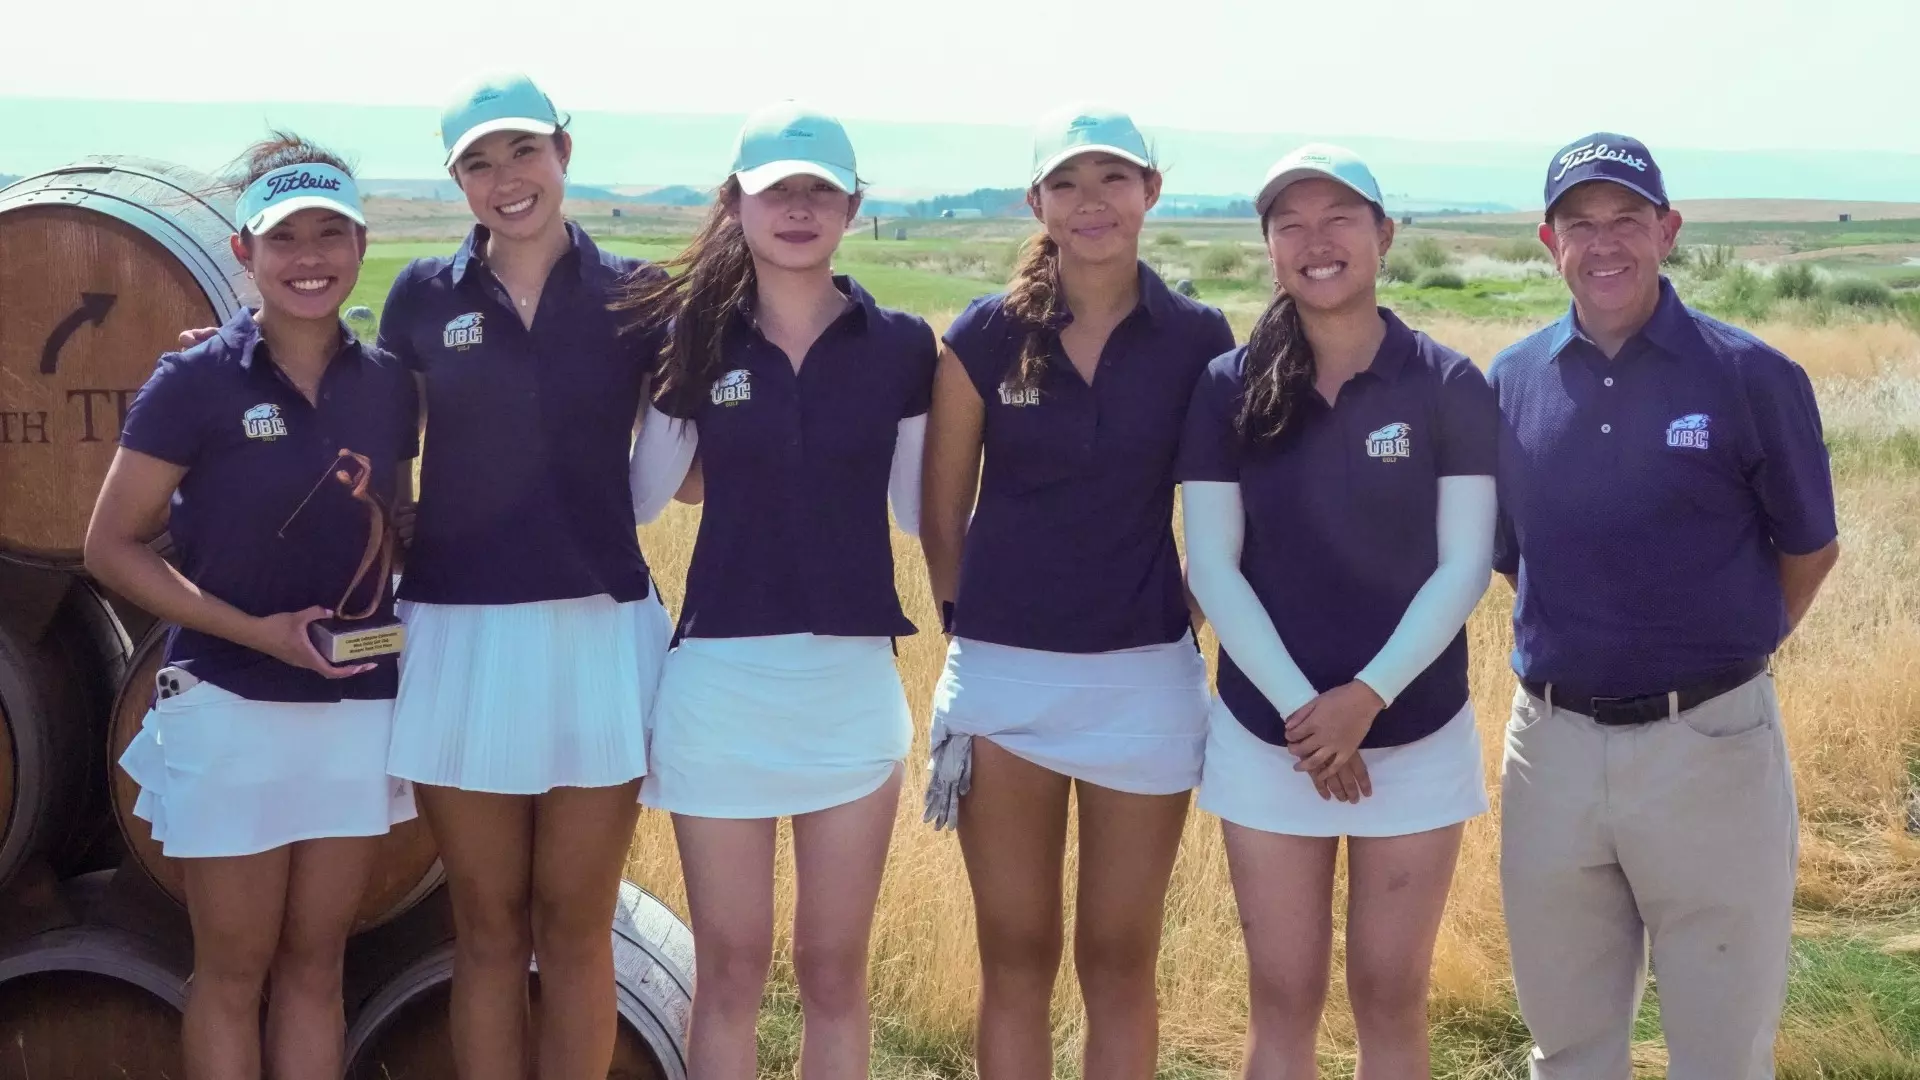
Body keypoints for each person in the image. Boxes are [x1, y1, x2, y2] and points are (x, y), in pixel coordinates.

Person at [1491, 134, 1839, 1080]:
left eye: (1627, 221)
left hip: (1711, 746)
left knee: (1721, 1051)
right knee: (1568, 1047)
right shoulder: (1511, 383)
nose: (1603, 244)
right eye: (1579, 224)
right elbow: (1518, 558)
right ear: (1549, 242)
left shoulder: (1751, 376)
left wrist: (1725, 655)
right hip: (1551, 752)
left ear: (1668, 231)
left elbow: (1810, 549)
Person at [86, 133, 417, 1080]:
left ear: (360, 244)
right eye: (284, 238)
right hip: (229, 701)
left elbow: (391, 525)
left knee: (317, 966)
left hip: (356, 706)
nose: (309, 257)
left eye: (329, 233)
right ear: (245, 251)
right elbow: (111, 545)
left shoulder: (389, 385)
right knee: (233, 973)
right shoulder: (193, 381)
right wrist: (259, 635)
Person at [919, 104, 1235, 1079]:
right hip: (1003, 685)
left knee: (1119, 961)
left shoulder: (1198, 338)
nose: (1090, 201)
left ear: (1151, 192)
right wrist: (973, 630)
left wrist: (1187, 608)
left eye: (1112, 179)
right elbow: (941, 514)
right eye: (1067, 183)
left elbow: (1226, 507)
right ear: (1037, 203)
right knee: (1015, 956)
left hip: (1145, 683)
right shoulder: (983, 333)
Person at [619, 101, 934, 1080]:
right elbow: (643, 496)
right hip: (720, 688)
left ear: (852, 208)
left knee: (834, 970)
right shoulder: (694, 339)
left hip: (849, 688)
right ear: (736, 203)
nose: (798, 209)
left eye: (819, 192)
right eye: (775, 191)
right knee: (731, 971)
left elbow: (917, 509)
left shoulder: (902, 345)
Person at [1176, 144, 1498, 1078]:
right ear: (1270, 249)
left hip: (1418, 730)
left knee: (1391, 996)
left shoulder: (1447, 383)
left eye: (1339, 219)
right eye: (1292, 225)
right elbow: (1213, 568)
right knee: (1282, 997)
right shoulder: (1227, 387)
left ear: (1384, 235)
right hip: (1267, 738)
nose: (1316, 242)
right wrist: (1307, 718)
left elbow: (1465, 565)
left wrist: (1364, 699)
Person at [376, 74, 673, 1079]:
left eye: (523, 152)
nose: (506, 179)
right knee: (488, 926)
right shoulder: (421, 294)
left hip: (601, 634)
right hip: (459, 637)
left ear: (564, 152)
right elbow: (380, 443)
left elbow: (696, 444)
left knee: (576, 924)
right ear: (456, 179)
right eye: (479, 162)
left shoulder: (641, 291)